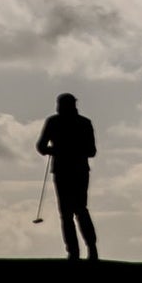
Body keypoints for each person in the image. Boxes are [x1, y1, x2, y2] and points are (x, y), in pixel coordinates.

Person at [36, 93, 98, 261]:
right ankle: (87, 250)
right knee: (77, 211)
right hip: (76, 171)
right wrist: (57, 150)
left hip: (67, 171)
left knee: (71, 212)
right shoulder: (83, 123)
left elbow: (41, 147)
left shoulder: (54, 122)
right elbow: (91, 151)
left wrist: (56, 150)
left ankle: (77, 252)